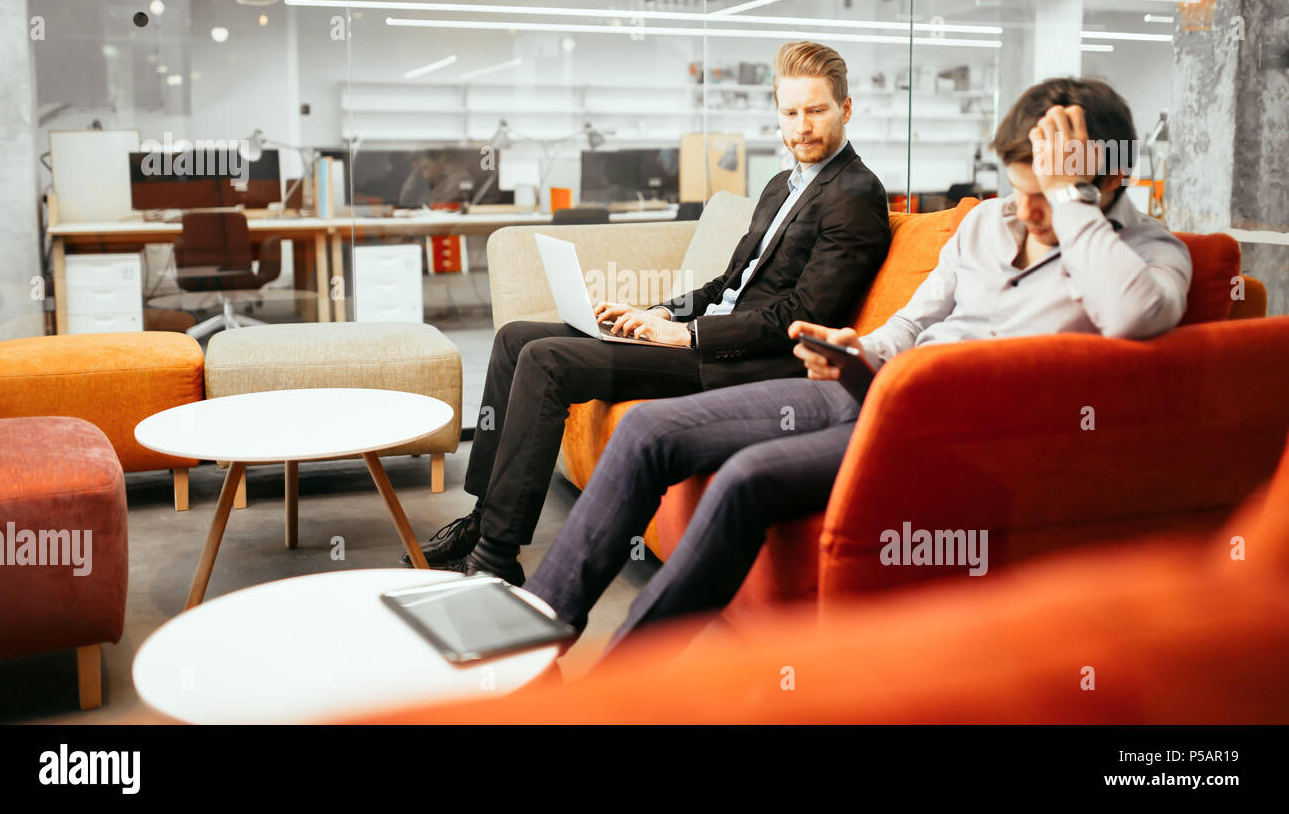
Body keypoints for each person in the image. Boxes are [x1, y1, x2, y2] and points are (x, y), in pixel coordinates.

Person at [520, 76, 1195, 656]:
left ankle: (620, 679)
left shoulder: (1148, 254)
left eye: (1046, 195)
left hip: (940, 432)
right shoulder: (989, 224)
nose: (1026, 213)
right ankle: (535, 637)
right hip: (871, 388)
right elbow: (915, 321)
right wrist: (856, 347)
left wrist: (1072, 204)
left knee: (747, 477)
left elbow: (1135, 316)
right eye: (1019, 190)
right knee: (648, 433)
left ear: (1108, 179)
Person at [417, 41, 893, 584]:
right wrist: (654, 312)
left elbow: (803, 314)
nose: (802, 127)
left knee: (546, 360)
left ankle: (496, 558)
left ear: (846, 109)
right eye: (790, 112)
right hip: (701, 335)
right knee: (514, 338)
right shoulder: (781, 185)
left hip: (742, 360)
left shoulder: (855, 193)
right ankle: (481, 520)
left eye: (816, 110)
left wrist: (684, 335)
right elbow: (728, 284)